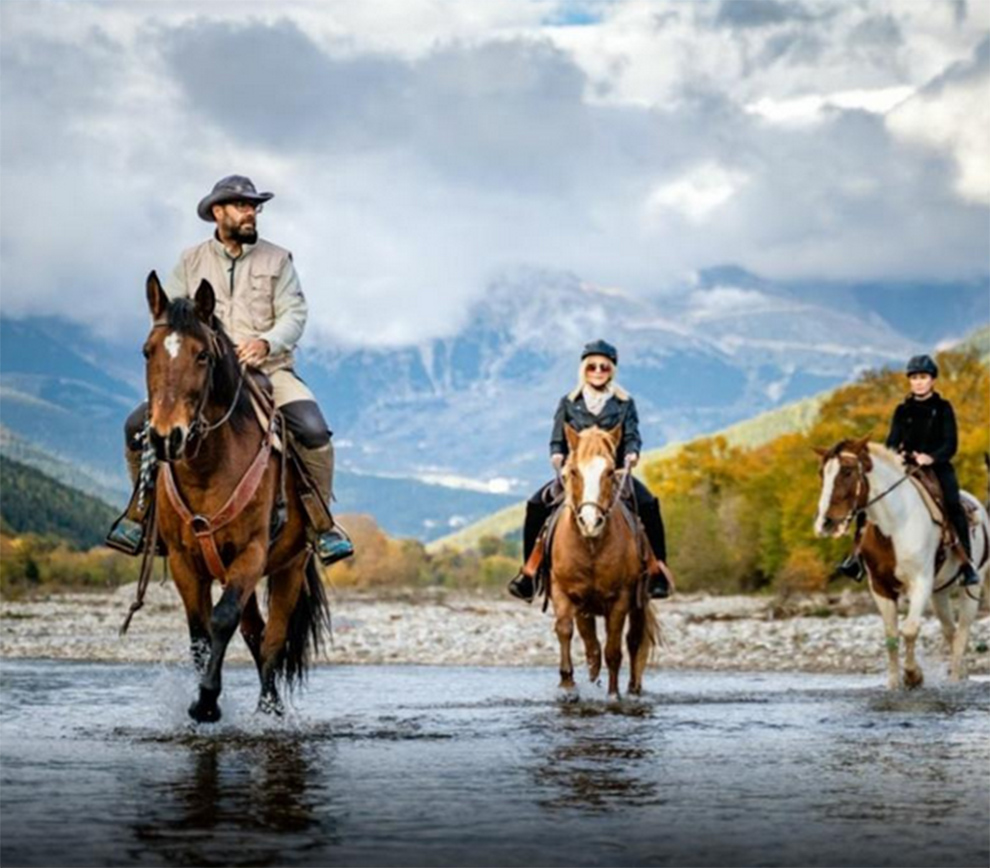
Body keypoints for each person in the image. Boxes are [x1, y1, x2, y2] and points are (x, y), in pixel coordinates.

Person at [107, 175, 353, 564]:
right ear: (218, 212)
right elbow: (169, 315)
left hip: (269, 370)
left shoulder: (278, 259)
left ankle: (321, 526)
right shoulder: (191, 261)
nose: (251, 213)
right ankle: (143, 514)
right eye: (242, 206)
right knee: (135, 427)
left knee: (313, 430)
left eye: (254, 206)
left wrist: (266, 342)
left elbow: (294, 312)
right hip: (203, 373)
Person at [507, 339, 672, 602]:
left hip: (613, 472)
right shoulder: (568, 402)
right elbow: (556, 438)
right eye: (592, 366)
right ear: (584, 369)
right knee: (536, 504)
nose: (597, 371)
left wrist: (632, 452)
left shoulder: (624, 403)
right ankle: (530, 572)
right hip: (577, 472)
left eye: (603, 367)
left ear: (611, 371)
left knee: (648, 505)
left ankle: (657, 571)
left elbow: (632, 435)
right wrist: (557, 455)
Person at [837, 354, 979, 586]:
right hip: (905, 467)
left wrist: (931, 457)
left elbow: (950, 444)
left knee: (953, 504)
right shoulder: (902, 410)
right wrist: (899, 455)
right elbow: (892, 442)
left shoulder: (943, 408)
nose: (919, 382)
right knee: (869, 500)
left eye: (923, 377)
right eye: (914, 378)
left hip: (938, 466)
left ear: (932, 380)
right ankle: (856, 558)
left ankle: (967, 563)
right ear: (910, 381)